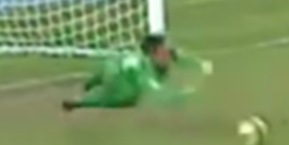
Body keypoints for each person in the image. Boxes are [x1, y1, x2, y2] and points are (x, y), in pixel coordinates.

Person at [61, 33, 210, 110]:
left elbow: (178, 55)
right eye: (164, 51)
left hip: (116, 64)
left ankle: (87, 88)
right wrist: (183, 93)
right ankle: (79, 100)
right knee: (121, 99)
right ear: (153, 54)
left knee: (100, 79)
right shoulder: (144, 70)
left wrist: (200, 64)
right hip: (116, 77)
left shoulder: (159, 56)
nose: (169, 54)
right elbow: (156, 92)